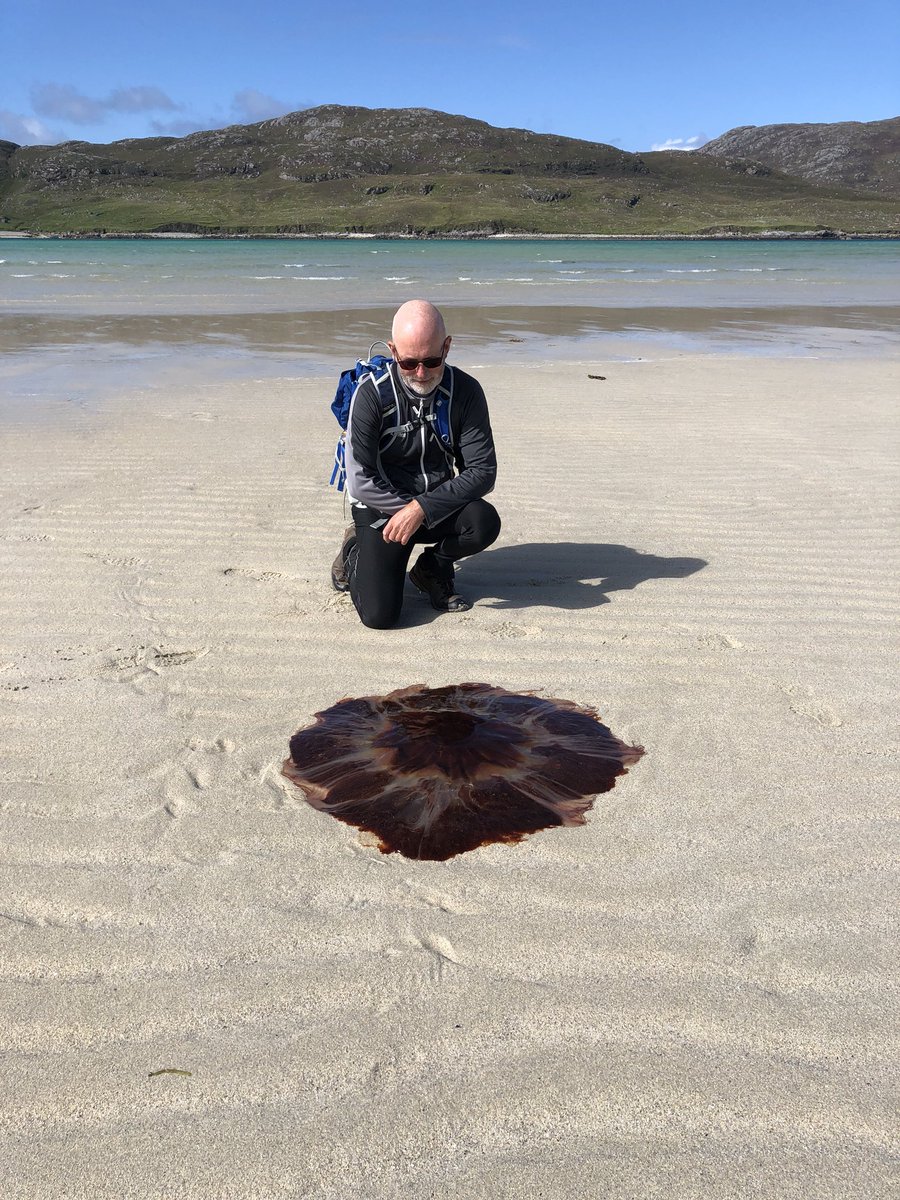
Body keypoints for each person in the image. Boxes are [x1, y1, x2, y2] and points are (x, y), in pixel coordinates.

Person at [331, 299, 500, 629]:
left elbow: (483, 471)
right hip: (380, 506)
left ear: (447, 348)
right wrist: (405, 511)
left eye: (432, 360)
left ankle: (432, 567)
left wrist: (420, 508)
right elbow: (360, 481)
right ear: (394, 352)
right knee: (380, 617)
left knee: (484, 522)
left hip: (433, 503)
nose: (421, 373)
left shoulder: (466, 392)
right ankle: (354, 552)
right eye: (409, 363)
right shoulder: (370, 395)